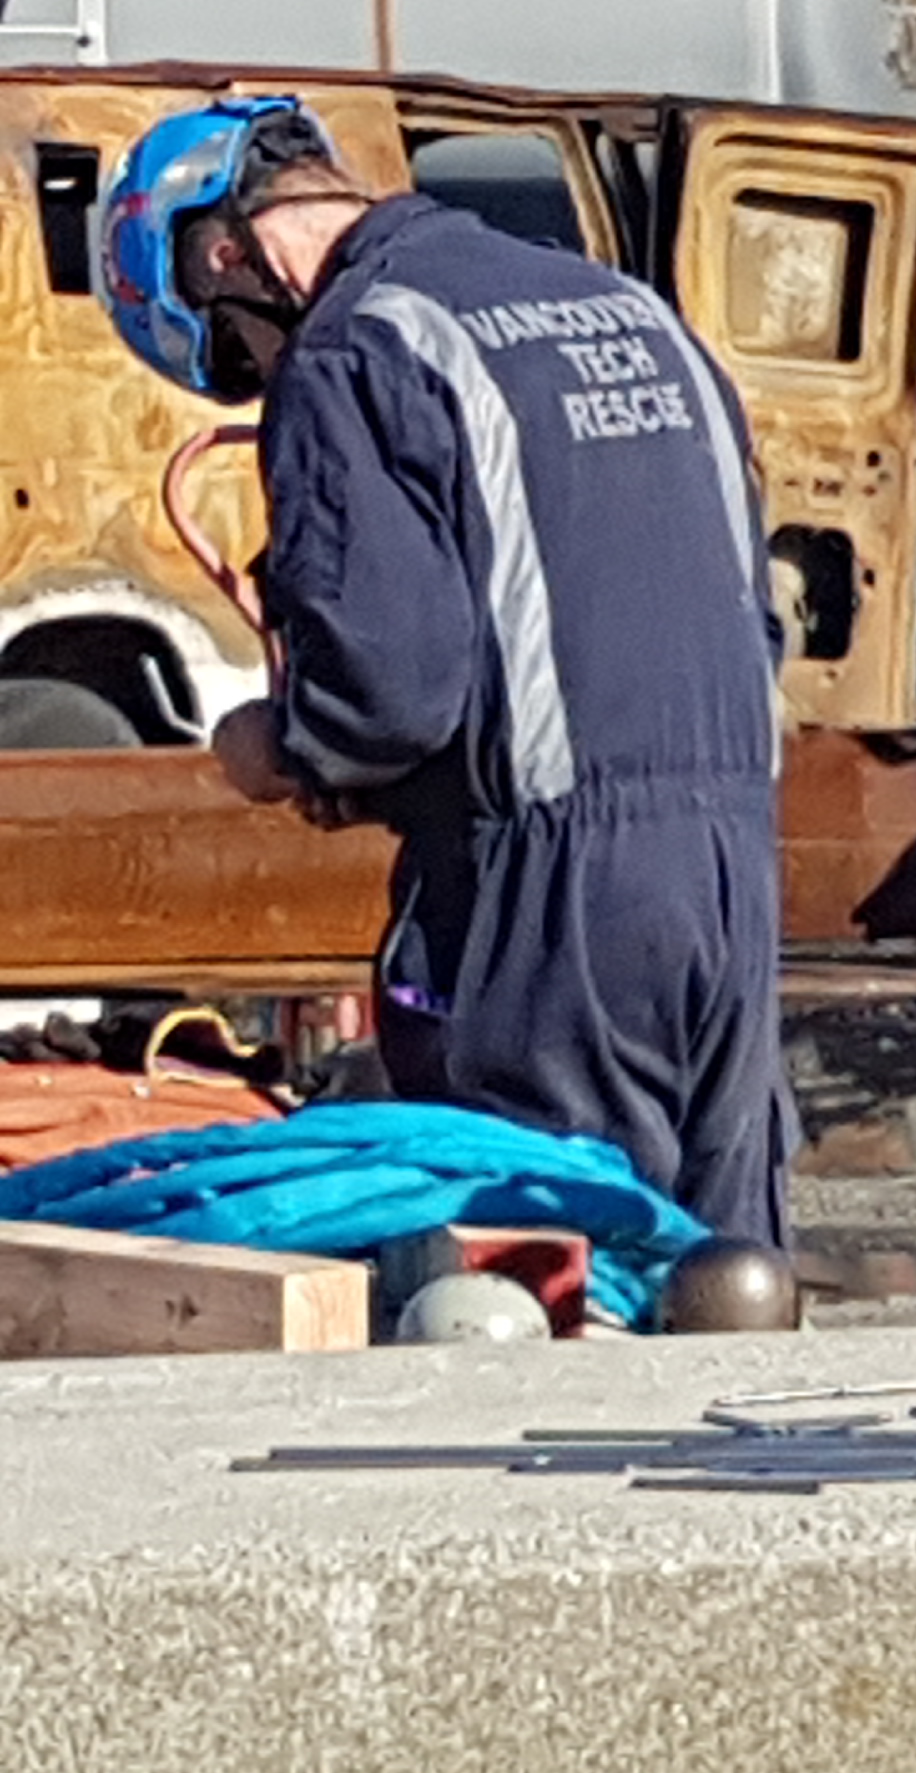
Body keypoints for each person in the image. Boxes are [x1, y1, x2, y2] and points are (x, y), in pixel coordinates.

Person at [100, 96, 795, 1246]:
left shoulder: (353, 345)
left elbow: (390, 693)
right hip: (732, 868)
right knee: (729, 1279)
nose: (265, 371)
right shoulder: (629, 310)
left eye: (242, 349)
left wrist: (277, 750)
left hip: (548, 899)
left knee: (545, 1288)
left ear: (226, 255)